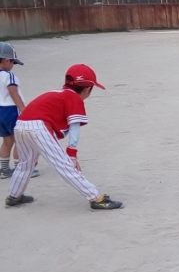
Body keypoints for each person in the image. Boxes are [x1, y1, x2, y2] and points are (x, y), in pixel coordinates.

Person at [5, 64, 122, 210]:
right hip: (39, 127)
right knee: (64, 165)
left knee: (25, 163)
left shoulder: (56, 93)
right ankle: (95, 198)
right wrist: (72, 155)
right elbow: (74, 127)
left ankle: (14, 196)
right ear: (87, 89)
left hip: (21, 124)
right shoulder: (74, 98)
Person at [0, 42, 39, 179]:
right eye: (12, 62)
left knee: (7, 141)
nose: (13, 66)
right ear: (6, 61)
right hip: (11, 111)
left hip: (0, 112)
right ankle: (20, 169)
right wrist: (24, 109)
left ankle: (4, 170)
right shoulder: (9, 76)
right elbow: (13, 93)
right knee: (20, 140)